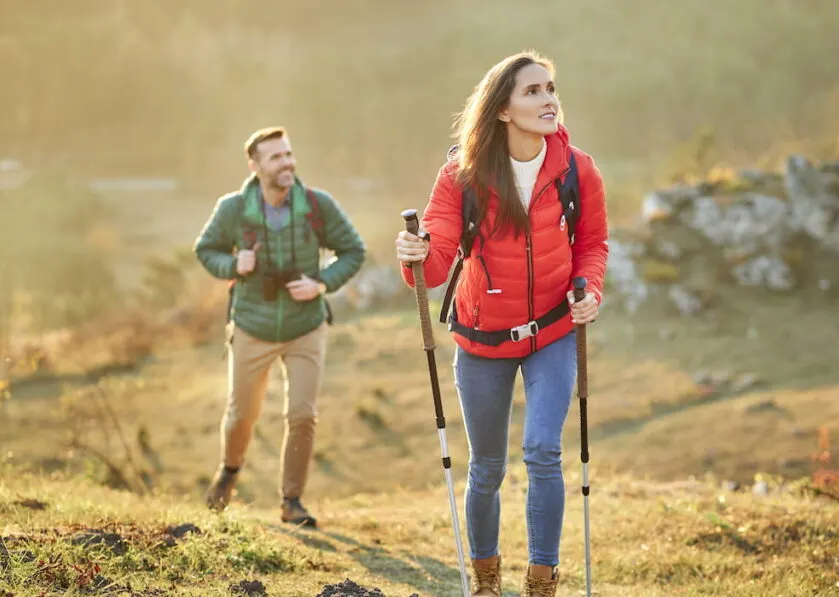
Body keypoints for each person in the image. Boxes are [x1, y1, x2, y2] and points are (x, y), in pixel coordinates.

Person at [396, 51, 609, 597]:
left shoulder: (577, 169)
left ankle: (542, 580)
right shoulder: (461, 176)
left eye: (551, 88)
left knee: (542, 451)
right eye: (532, 92)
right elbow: (438, 262)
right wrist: (415, 254)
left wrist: (590, 290)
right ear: (502, 110)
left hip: (553, 334)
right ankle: (486, 580)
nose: (549, 100)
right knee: (487, 468)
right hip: (483, 340)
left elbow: (591, 244)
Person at [194, 126, 365, 526]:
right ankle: (230, 471)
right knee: (241, 415)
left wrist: (321, 283)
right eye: (276, 157)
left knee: (302, 415)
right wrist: (233, 265)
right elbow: (206, 249)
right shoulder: (233, 209)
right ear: (255, 166)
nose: (287, 162)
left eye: (288, 154)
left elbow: (353, 250)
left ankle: (292, 501)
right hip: (251, 326)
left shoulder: (317, 206)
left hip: (306, 327)